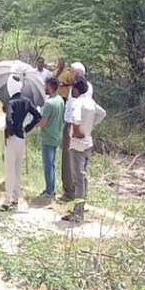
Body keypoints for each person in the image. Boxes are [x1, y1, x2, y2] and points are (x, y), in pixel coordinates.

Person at [63, 76, 106, 223]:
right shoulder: (91, 102)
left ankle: (77, 213)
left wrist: (77, 131)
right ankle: (80, 209)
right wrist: (90, 126)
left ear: (76, 89)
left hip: (77, 144)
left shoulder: (78, 103)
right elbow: (102, 113)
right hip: (88, 143)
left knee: (78, 180)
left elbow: (76, 119)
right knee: (83, 178)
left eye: (72, 88)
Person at [0, 75, 42, 211]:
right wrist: (27, 128)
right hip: (21, 138)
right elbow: (37, 116)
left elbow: (9, 120)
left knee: (9, 170)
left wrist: (9, 132)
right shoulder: (27, 101)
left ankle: (6, 201)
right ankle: (15, 200)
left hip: (11, 139)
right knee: (17, 170)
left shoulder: (11, 103)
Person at [61, 62, 93, 201]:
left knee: (72, 164)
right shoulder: (75, 88)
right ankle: (78, 196)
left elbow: (76, 113)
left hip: (74, 126)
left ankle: (71, 194)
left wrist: (74, 128)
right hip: (78, 127)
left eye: (72, 71)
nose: (70, 74)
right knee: (79, 168)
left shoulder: (81, 91)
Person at [37, 77, 65, 198]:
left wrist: (36, 123)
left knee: (48, 165)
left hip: (48, 137)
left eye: (46, 86)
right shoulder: (60, 100)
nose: (45, 88)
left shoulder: (49, 103)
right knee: (52, 165)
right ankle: (50, 189)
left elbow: (43, 122)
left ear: (51, 86)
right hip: (56, 135)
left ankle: (49, 191)